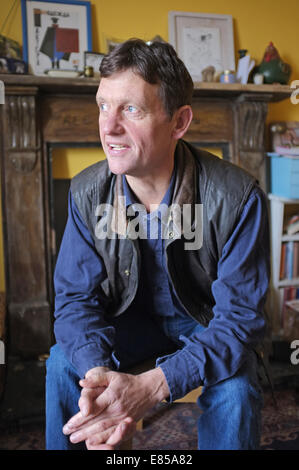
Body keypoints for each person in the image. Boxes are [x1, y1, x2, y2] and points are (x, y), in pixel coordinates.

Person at [46, 39, 270, 450]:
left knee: (237, 387)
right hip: (129, 324)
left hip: (204, 322)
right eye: (102, 105)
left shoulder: (238, 198)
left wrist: (152, 387)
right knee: (64, 360)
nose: (108, 127)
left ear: (179, 122)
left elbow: (238, 321)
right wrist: (99, 379)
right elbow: (75, 300)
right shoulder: (85, 193)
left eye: (131, 109)